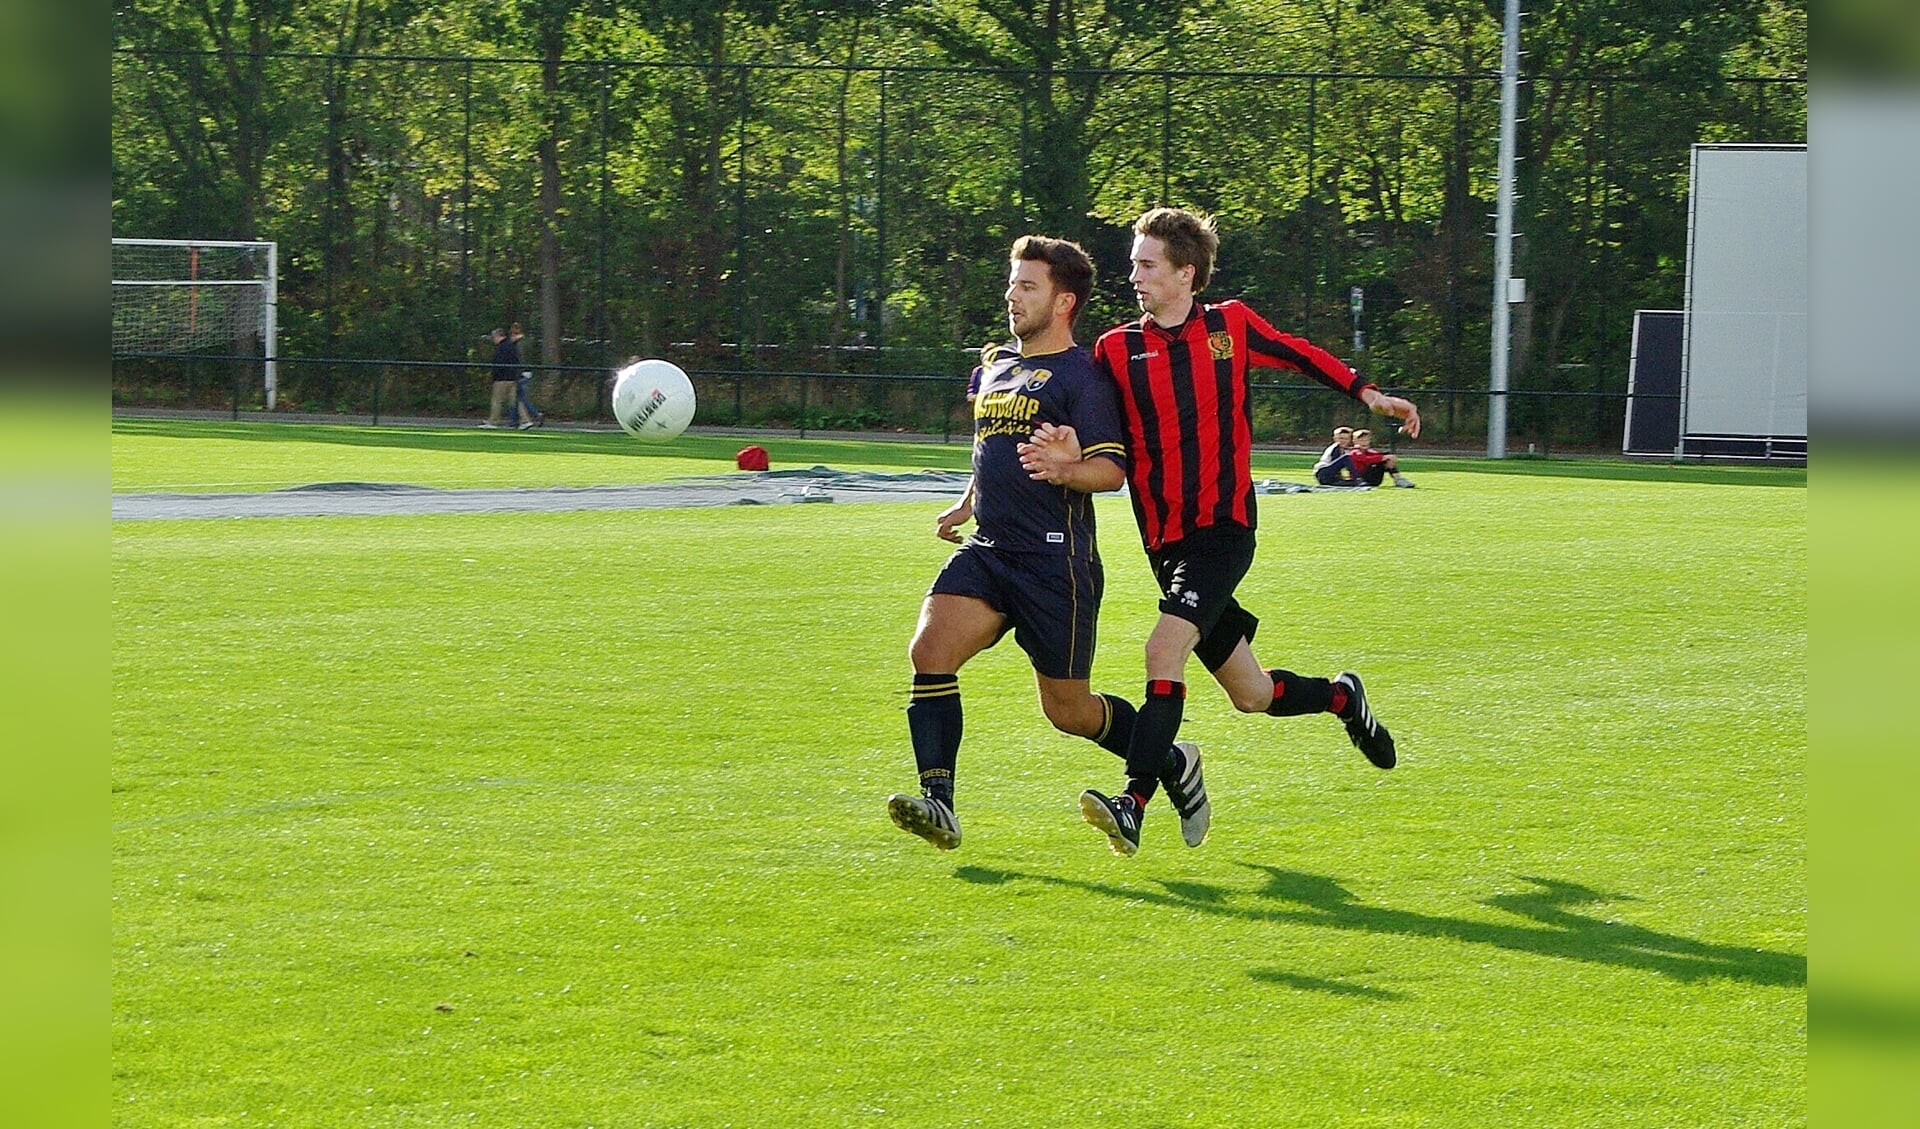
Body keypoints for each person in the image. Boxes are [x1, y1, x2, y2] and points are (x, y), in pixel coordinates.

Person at [1023, 206, 1422, 857]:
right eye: (1133, 264)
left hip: (1223, 532)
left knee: (1162, 651)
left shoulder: (1229, 326)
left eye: (1146, 264)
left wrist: (1369, 394)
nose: (1134, 276)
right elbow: (1079, 409)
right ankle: (1343, 698)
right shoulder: (1116, 349)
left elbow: (1299, 352)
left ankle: (1134, 800)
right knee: (1252, 692)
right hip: (1166, 546)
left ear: (1186, 272)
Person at [887, 235, 1208, 852]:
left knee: (1068, 710)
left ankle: (1169, 760)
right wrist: (968, 501)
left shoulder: (1085, 377)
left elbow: (1111, 472)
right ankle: (939, 802)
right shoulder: (993, 365)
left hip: (1055, 564)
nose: (1012, 295)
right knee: (929, 650)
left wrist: (1067, 470)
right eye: (1013, 283)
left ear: (1064, 302)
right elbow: (996, 452)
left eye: (1027, 286)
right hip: (989, 551)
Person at [484, 326, 533, 429]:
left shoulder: (501, 348)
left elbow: (498, 363)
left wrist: (495, 375)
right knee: (515, 401)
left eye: (494, 337)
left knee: (497, 400)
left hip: (502, 378)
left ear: (497, 336)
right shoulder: (511, 346)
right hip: (513, 378)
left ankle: (493, 422)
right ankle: (526, 421)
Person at [1350, 427, 1415, 487]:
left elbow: (1378, 455)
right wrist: (1385, 457)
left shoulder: (1369, 451)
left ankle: (1398, 479)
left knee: (1385, 458)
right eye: (1361, 441)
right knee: (1383, 459)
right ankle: (1398, 479)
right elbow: (1366, 459)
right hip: (1361, 479)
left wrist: (1388, 457)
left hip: (1373, 480)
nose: (1364, 443)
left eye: (1366, 440)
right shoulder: (1354, 452)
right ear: (1354, 441)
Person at [510, 323, 544, 428]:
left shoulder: (518, 344)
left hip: (521, 372)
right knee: (518, 397)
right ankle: (515, 420)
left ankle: (535, 414)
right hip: (527, 371)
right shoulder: (527, 342)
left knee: (520, 398)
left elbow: (520, 358)